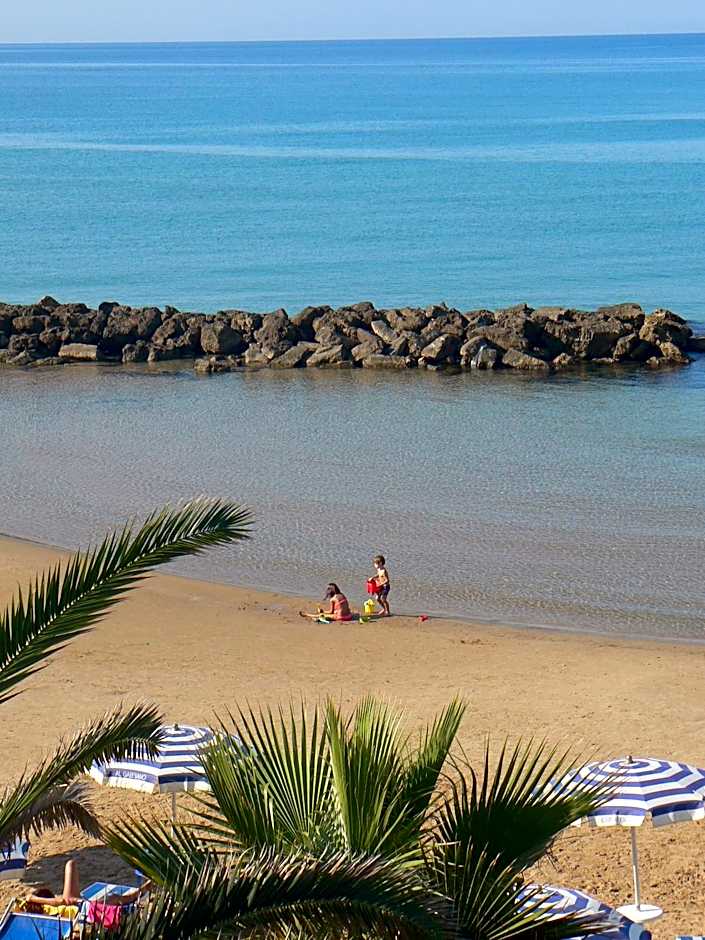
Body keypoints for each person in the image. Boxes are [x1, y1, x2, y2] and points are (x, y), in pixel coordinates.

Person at [23, 860, 150, 913]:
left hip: (80, 905)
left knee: (71, 864)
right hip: (85, 909)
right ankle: (144, 888)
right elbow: (61, 900)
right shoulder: (52, 907)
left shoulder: (46, 912)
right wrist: (33, 898)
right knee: (117, 898)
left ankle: (144, 888)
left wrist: (32, 899)